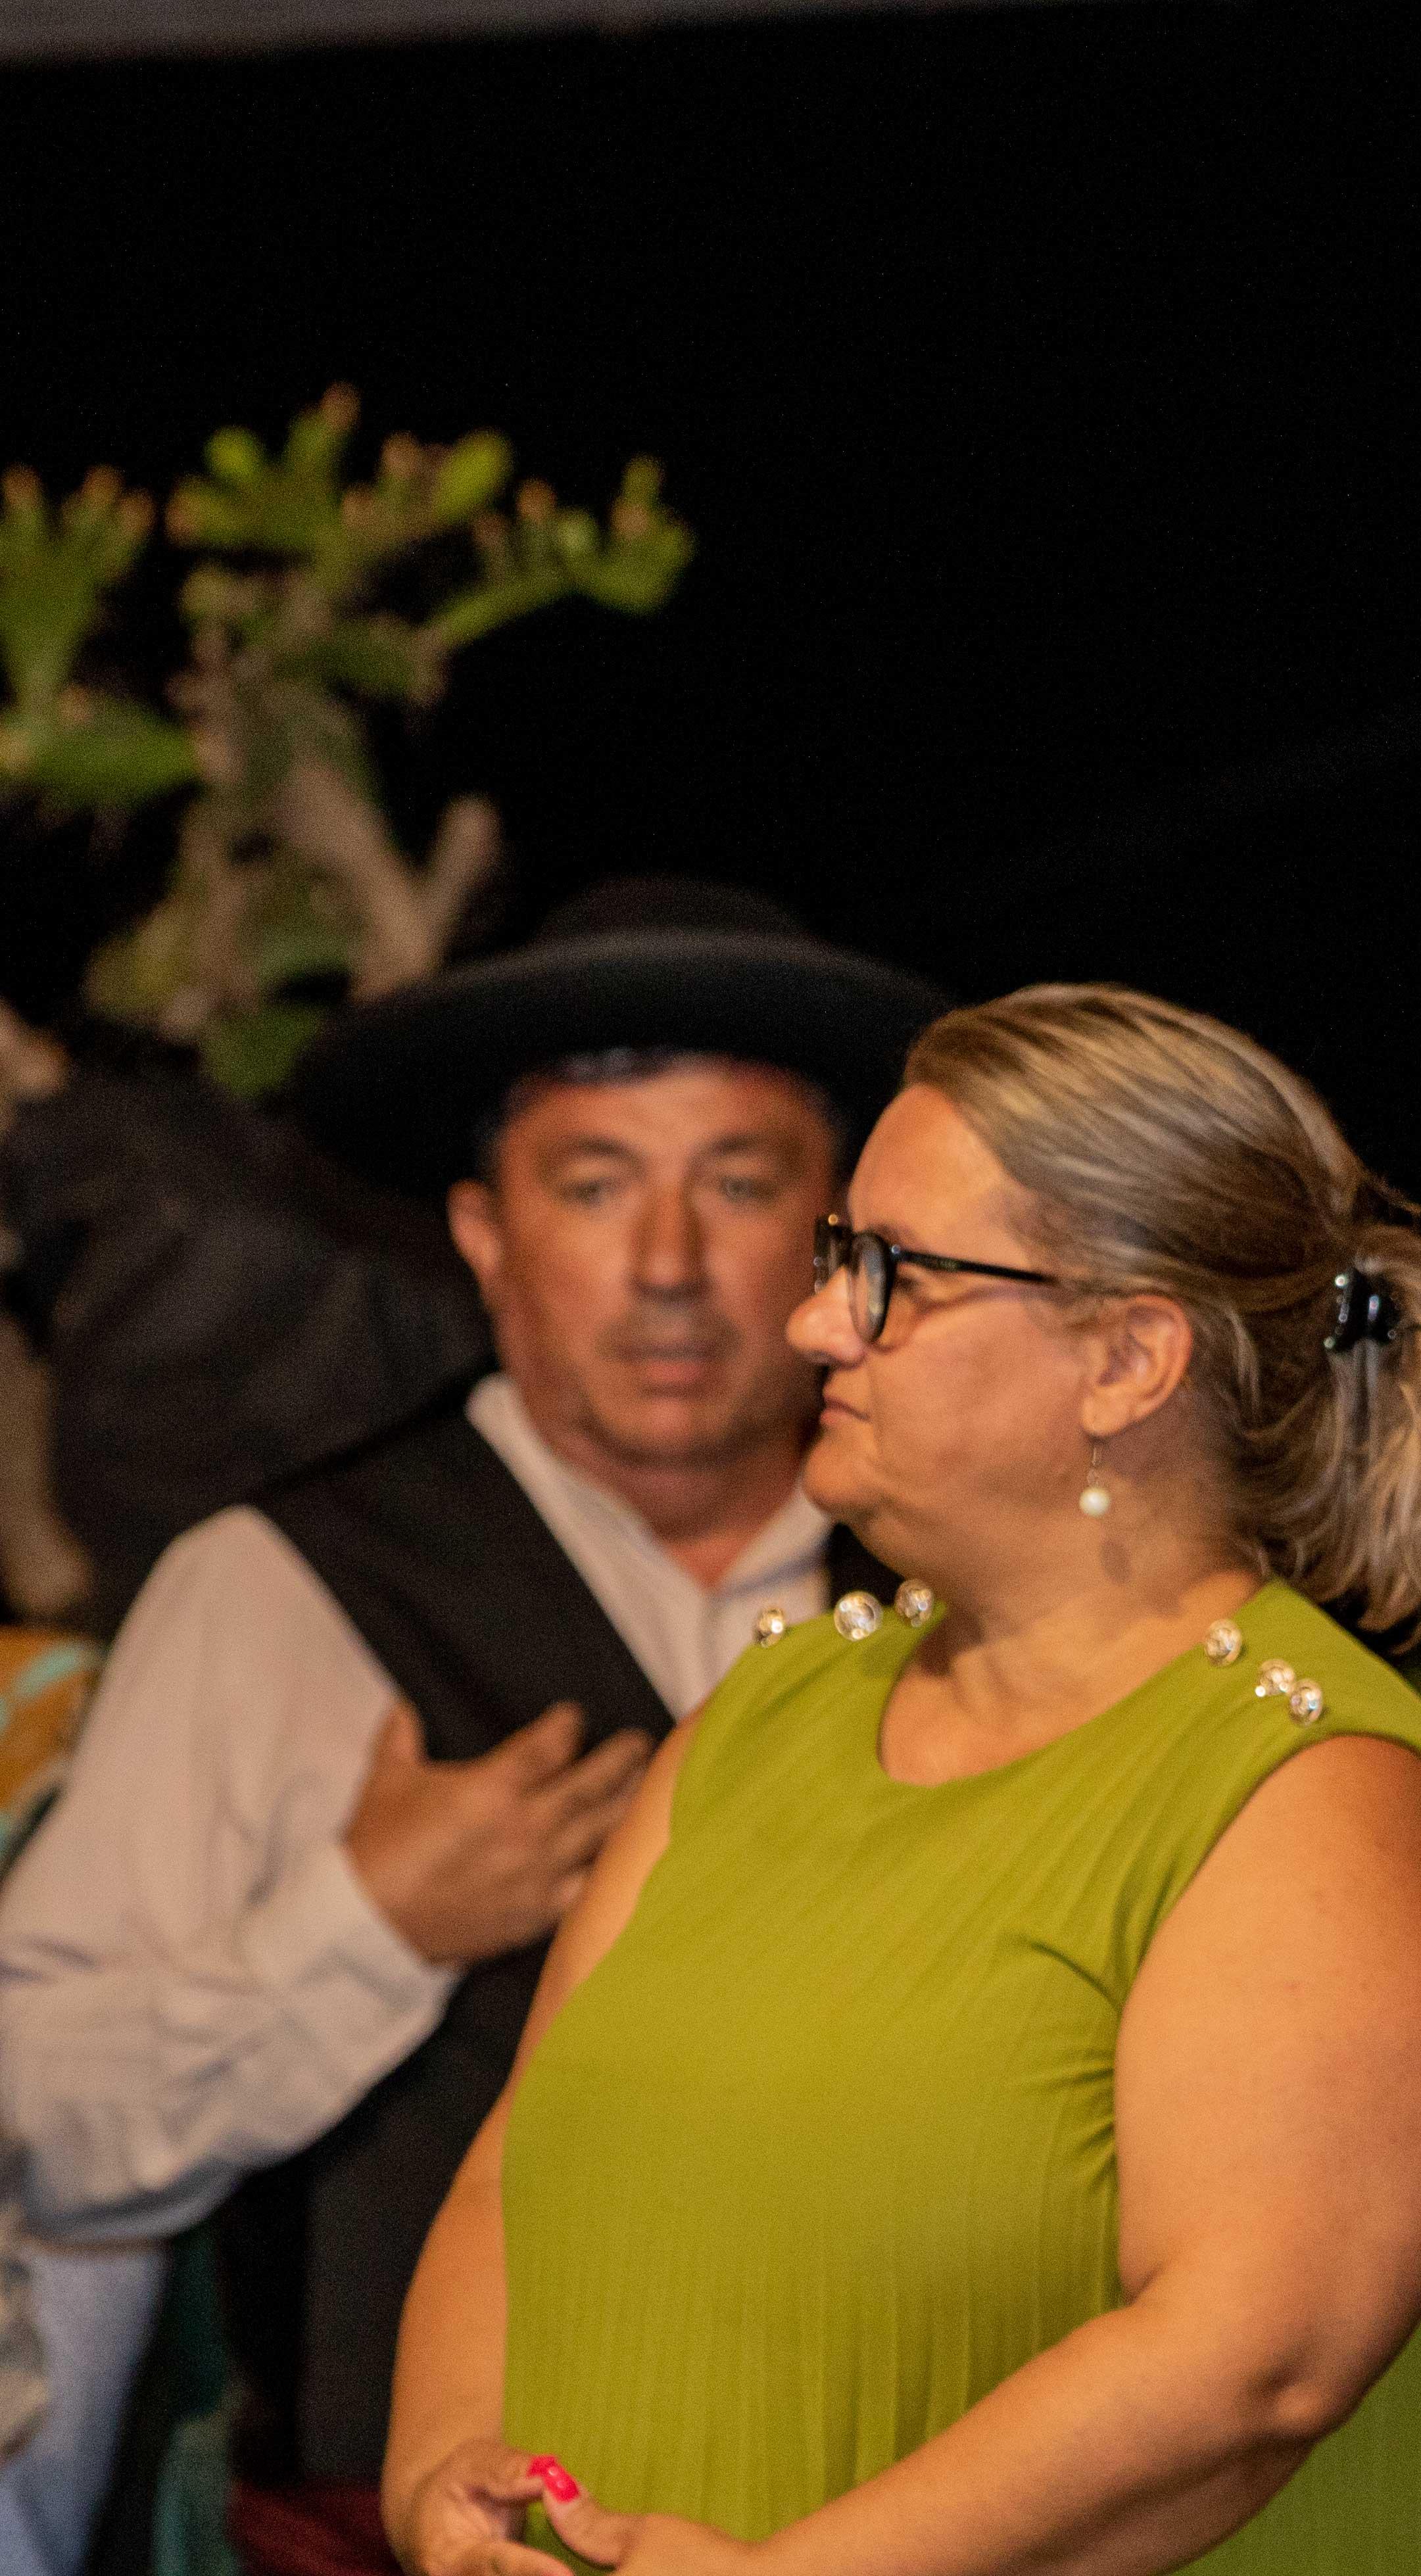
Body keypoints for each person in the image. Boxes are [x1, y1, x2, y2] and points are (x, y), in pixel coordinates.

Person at [384, 983, 1421, 2576]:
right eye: (835, 1257)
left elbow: (1248, 2365)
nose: (814, 1324)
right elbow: (521, 2166)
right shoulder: (766, 1714)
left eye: (893, 1275)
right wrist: (440, 2470)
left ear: (1127, 1357)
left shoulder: (1313, 1795)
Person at [0, 881, 941, 2576]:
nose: (668, 1265)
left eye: (739, 1184)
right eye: (594, 1186)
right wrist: (363, 1927)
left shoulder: (974, 1585)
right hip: (400, 2537)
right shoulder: (280, 1587)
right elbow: (40, 2109)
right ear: (486, 1234)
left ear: (836, 1246)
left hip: (915, 2515)